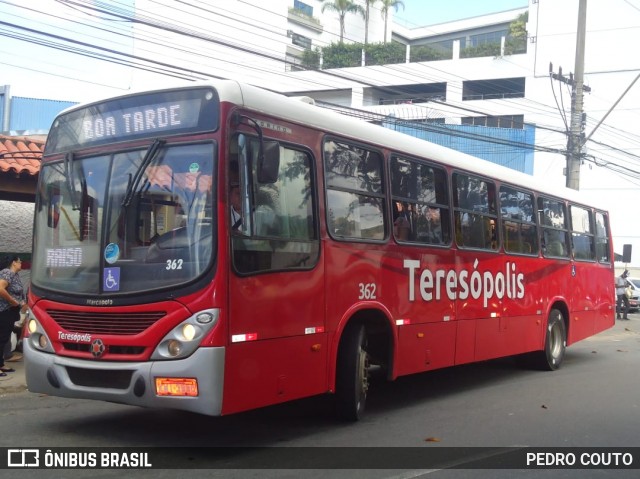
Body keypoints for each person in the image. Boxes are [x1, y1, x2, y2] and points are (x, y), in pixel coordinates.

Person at [0, 255, 27, 376]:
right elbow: (0, 288)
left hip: (12, 312)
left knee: (4, 338)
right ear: (13, 263)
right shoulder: (7, 272)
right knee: (1, 338)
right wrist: (12, 301)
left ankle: (1, 364)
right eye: (19, 261)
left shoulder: (15, 275)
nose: (21, 263)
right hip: (4, 311)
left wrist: (22, 304)